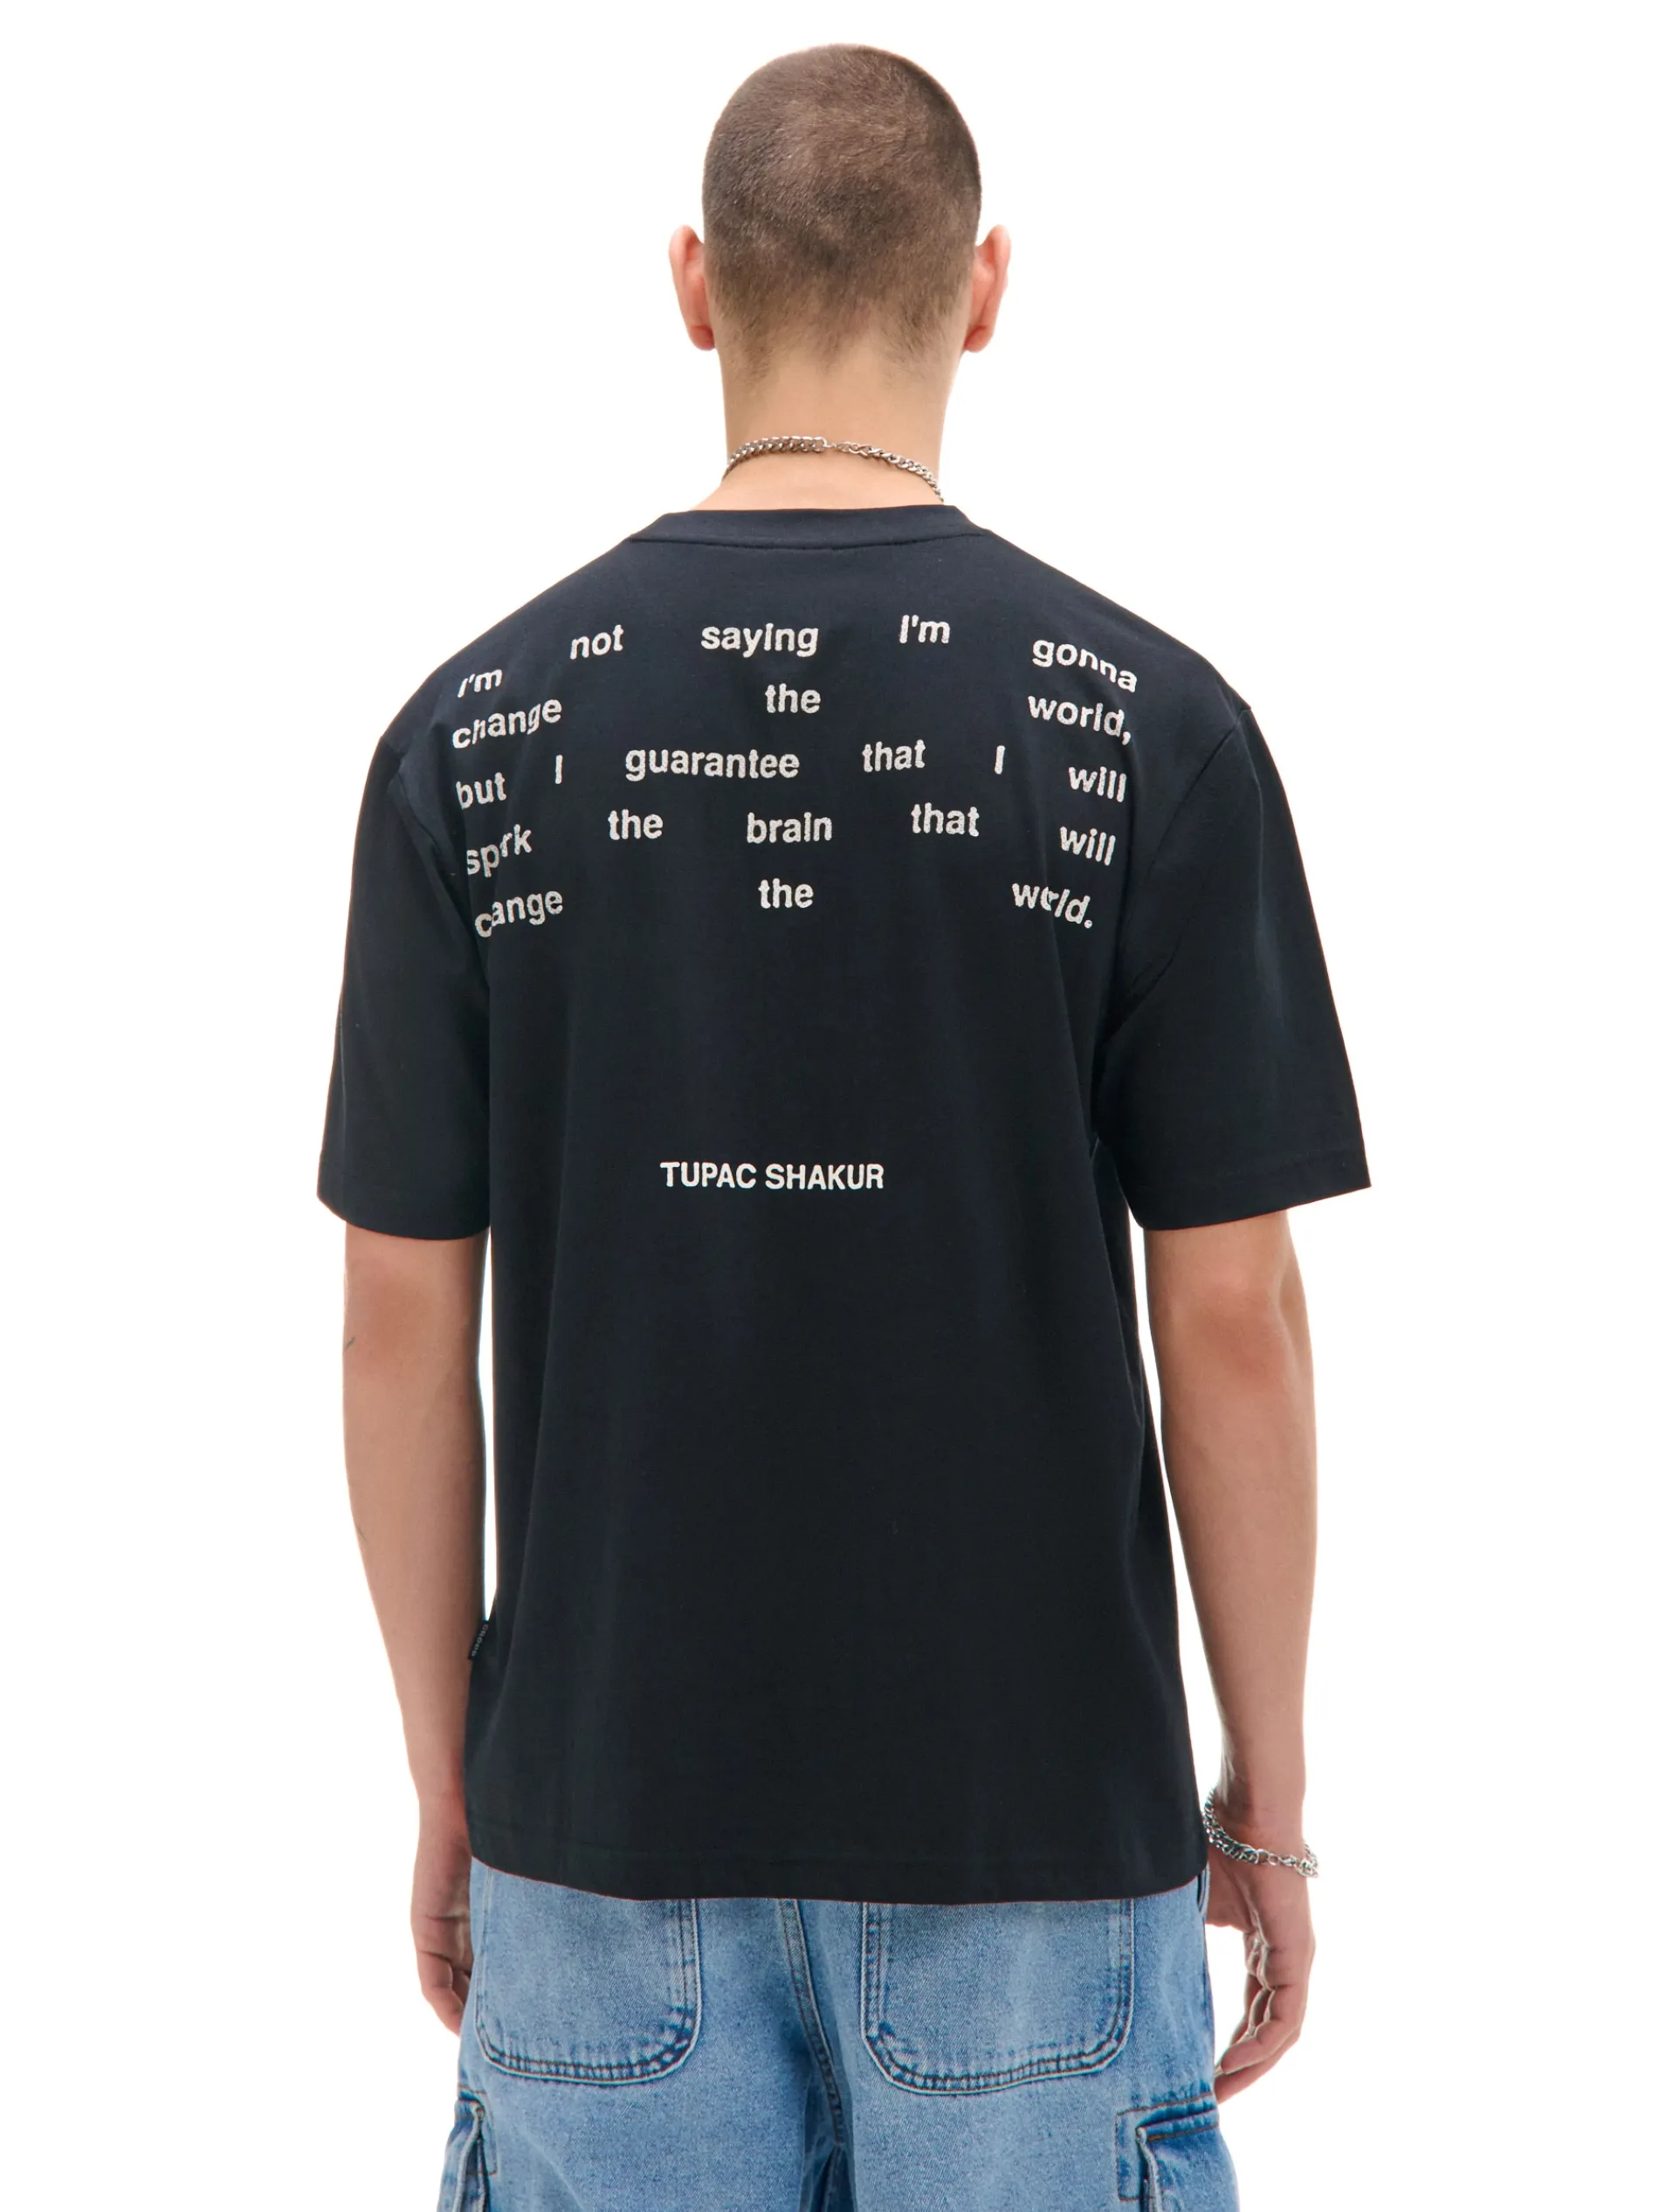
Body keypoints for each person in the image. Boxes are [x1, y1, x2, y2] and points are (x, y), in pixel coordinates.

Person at [320, 44, 1367, 2212]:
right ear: (981, 289)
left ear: (691, 285)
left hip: (597, 1828)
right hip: (1033, 1840)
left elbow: (400, 1323)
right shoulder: (1154, 730)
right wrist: (1260, 1798)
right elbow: (1232, 1319)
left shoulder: (473, 734)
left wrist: (453, 1776)